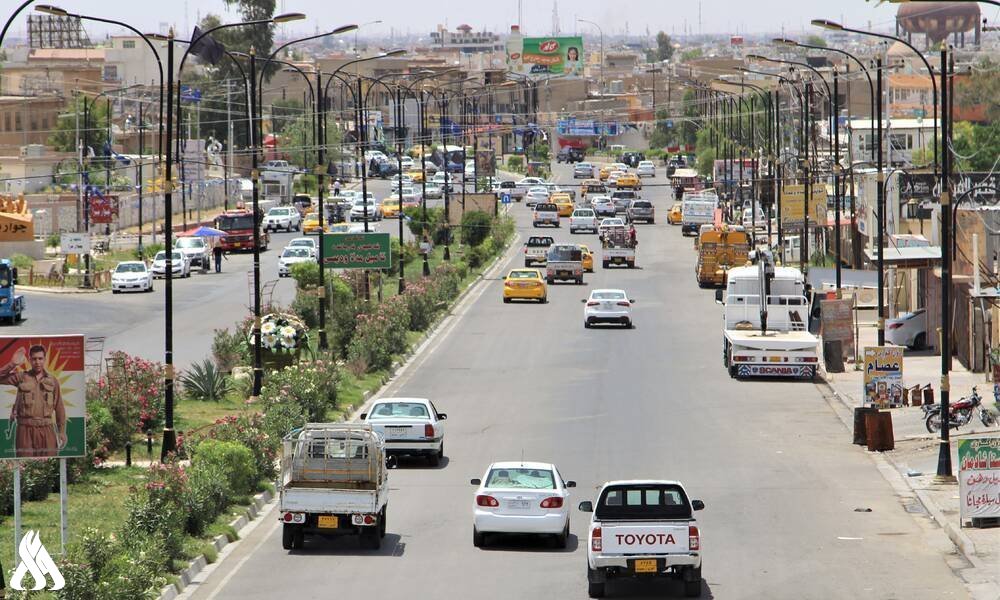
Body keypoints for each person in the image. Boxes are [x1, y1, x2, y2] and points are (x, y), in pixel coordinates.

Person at [0, 345, 66, 458]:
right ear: (30, 360)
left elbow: (59, 407)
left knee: (50, 465)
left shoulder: (53, 381)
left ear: (44, 359)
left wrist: (62, 431)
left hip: (47, 429)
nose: (37, 362)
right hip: (25, 430)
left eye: (40, 358)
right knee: (25, 466)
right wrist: (13, 364)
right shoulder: (21, 377)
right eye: (34, 359)